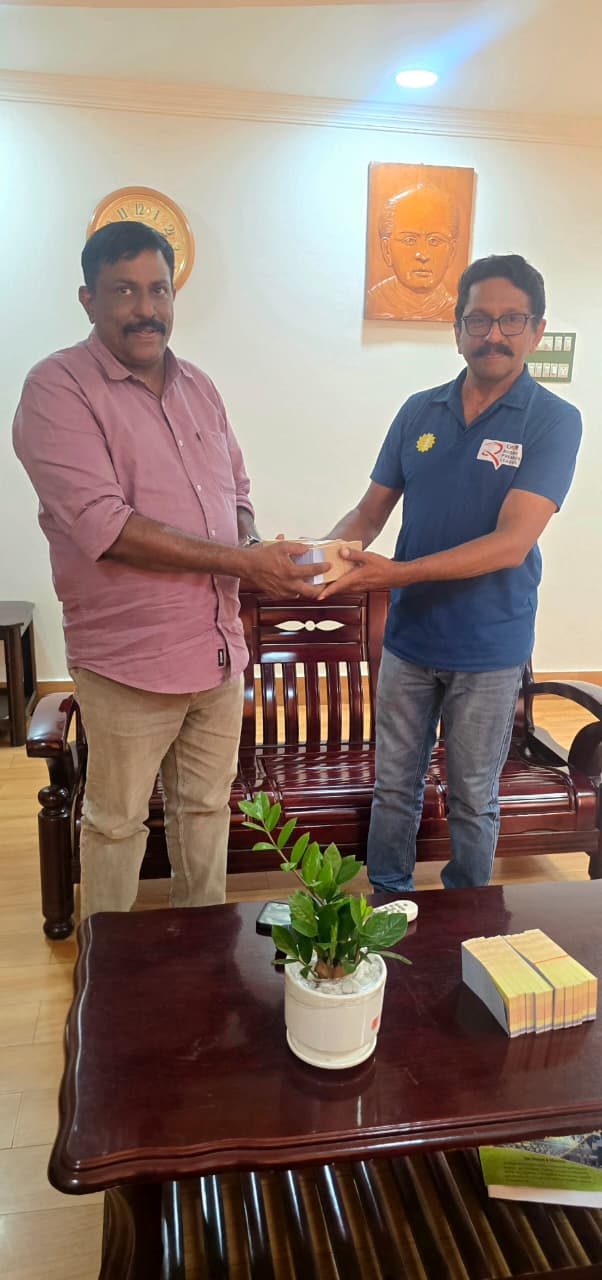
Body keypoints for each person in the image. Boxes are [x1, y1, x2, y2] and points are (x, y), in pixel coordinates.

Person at [13, 221, 323, 919]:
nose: (146, 308)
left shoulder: (200, 388)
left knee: (206, 810)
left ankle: (201, 953)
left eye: (158, 289)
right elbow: (106, 526)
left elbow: (236, 491)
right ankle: (108, 969)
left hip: (218, 653)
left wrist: (253, 542)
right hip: (129, 662)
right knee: (116, 824)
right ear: (88, 299)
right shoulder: (57, 389)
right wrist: (243, 560)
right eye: (124, 291)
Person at [322, 253, 582, 892]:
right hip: (410, 642)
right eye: (478, 320)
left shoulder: (554, 421)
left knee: (471, 794)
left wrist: (396, 574)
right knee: (394, 785)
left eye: (511, 320)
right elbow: (369, 512)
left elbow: (510, 545)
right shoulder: (420, 411)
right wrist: (314, 558)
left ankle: (467, 918)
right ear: (457, 329)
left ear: (537, 330)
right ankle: (388, 902)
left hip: (489, 648)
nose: (494, 334)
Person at [366, 183, 458, 321]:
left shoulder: (455, 309)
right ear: (387, 249)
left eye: (434, 241)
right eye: (409, 240)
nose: (423, 255)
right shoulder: (373, 301)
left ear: (451, 252)